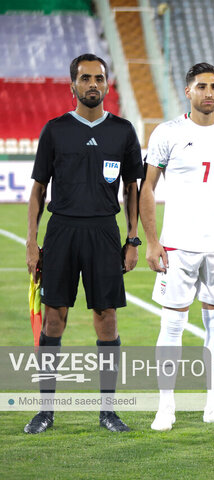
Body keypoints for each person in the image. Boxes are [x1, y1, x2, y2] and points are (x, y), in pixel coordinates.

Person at [24, 53, 143, 434]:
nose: (93, 84)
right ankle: (46, 411)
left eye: (99, 78)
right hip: (61, 231)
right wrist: (31, 241)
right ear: (72, 85)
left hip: (104, 232)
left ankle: (107, 411)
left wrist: (132, 239)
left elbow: (131, 188)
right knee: (55, 318)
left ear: (108, 84)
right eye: (86, 78)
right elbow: (38, 190)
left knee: (106, 318)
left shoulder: (123, 131)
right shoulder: (55, 129)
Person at [140, 62, 214, 431]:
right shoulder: (168, 132)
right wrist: (152, 241)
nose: (210, 92)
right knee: (172, 324)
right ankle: (166, 407)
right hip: (177, 246)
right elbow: (147, 188)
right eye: (202, 86)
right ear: (188, 92)